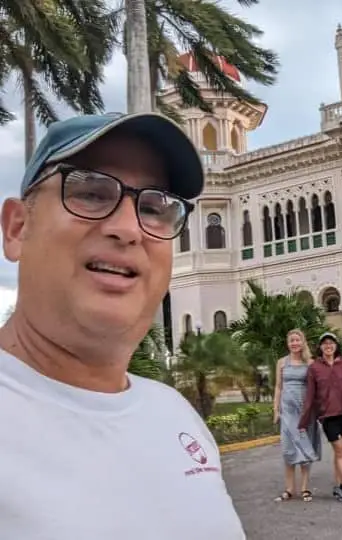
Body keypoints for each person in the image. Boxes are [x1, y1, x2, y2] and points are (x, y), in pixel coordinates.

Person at [0, 113, 246, 538]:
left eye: (154, 208)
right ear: (18, 228)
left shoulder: (175, 416)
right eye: (91, 193)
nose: (129, 229)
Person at [299, 332, 342, 507]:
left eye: (331, 343)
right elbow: (310, 396)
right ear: (320, 347)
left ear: (336, 346)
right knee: (340, 450)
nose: (328, 346)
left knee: (341, 451)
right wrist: (304, 421)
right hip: (328, 416)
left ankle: (338, 486)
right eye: (324, 344)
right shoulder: (314, 368)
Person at [273, 329, 321, 502]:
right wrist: (276, 410)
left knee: (304, 447)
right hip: (287, 411)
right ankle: (289, 489)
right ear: (288, 343)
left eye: (297, 340)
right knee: (288, 449)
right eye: (291, 340)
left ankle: (305, 488)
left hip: (304, 411)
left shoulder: (309, 363)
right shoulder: (281, 362)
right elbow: (278, 387)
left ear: (303, 342)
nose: (294, 343)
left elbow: (316, 387)